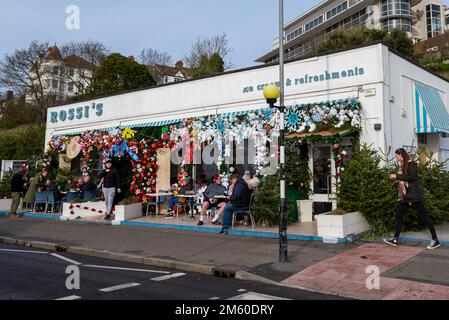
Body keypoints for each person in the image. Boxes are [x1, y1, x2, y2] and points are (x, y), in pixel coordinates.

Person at [384, 148, 440, 249]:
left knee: (424, 217)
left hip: (414, 196)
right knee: (399, 215)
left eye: (397, 155)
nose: (396, 157)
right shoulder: (402, 166)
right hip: (405, 196)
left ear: (401, 155)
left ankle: (435, 240)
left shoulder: (412, 164)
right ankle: (395, 239)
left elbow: (411, 177)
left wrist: (396, 176)